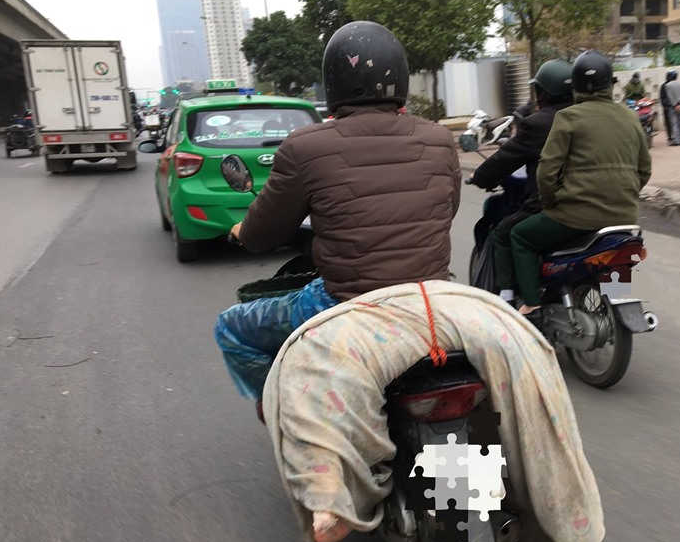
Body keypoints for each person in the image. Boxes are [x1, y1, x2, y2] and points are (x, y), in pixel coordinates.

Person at [215, 21, 461, 422]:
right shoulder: (440, 139)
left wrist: (243, 230)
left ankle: (282, 411)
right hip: (431, 300)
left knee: (230, 326)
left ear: (334, 82)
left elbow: (261, 236)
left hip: (344, 302)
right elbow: (448, 210)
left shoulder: (305, 147)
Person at [510, 50, 651, 319]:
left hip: (575, 217)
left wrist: (551, 203)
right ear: (611, 84)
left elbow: (547, 172)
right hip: (625, 218)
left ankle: (531, 304)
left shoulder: (568, 118)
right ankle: (616, 299)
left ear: (576, 86)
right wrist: (625, 195)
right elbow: (644, 170)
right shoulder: (631, 118)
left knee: (520, 236)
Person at [470, 59, 574, 303]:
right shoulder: (589, 118)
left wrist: (480, 177)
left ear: (542, 92)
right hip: (614, 210)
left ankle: (520, 302)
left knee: (508, 234)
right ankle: (617, 295)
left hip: (561, 210)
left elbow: (505, 159)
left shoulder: (538, 123)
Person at [663, 69, 680, 145]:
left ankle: (676, 140)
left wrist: (675, 105)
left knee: (674, 124)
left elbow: (670, 96)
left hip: (673, 107)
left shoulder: (668, 85)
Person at [659, 69, 676, 144]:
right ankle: (670, 137)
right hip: (667, 107)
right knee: (668, 123)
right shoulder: (664, 85)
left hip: (674, 106)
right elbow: (662, 97)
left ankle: (675, 136)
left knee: (674, 122)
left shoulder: (674, 85)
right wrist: (665, 105)